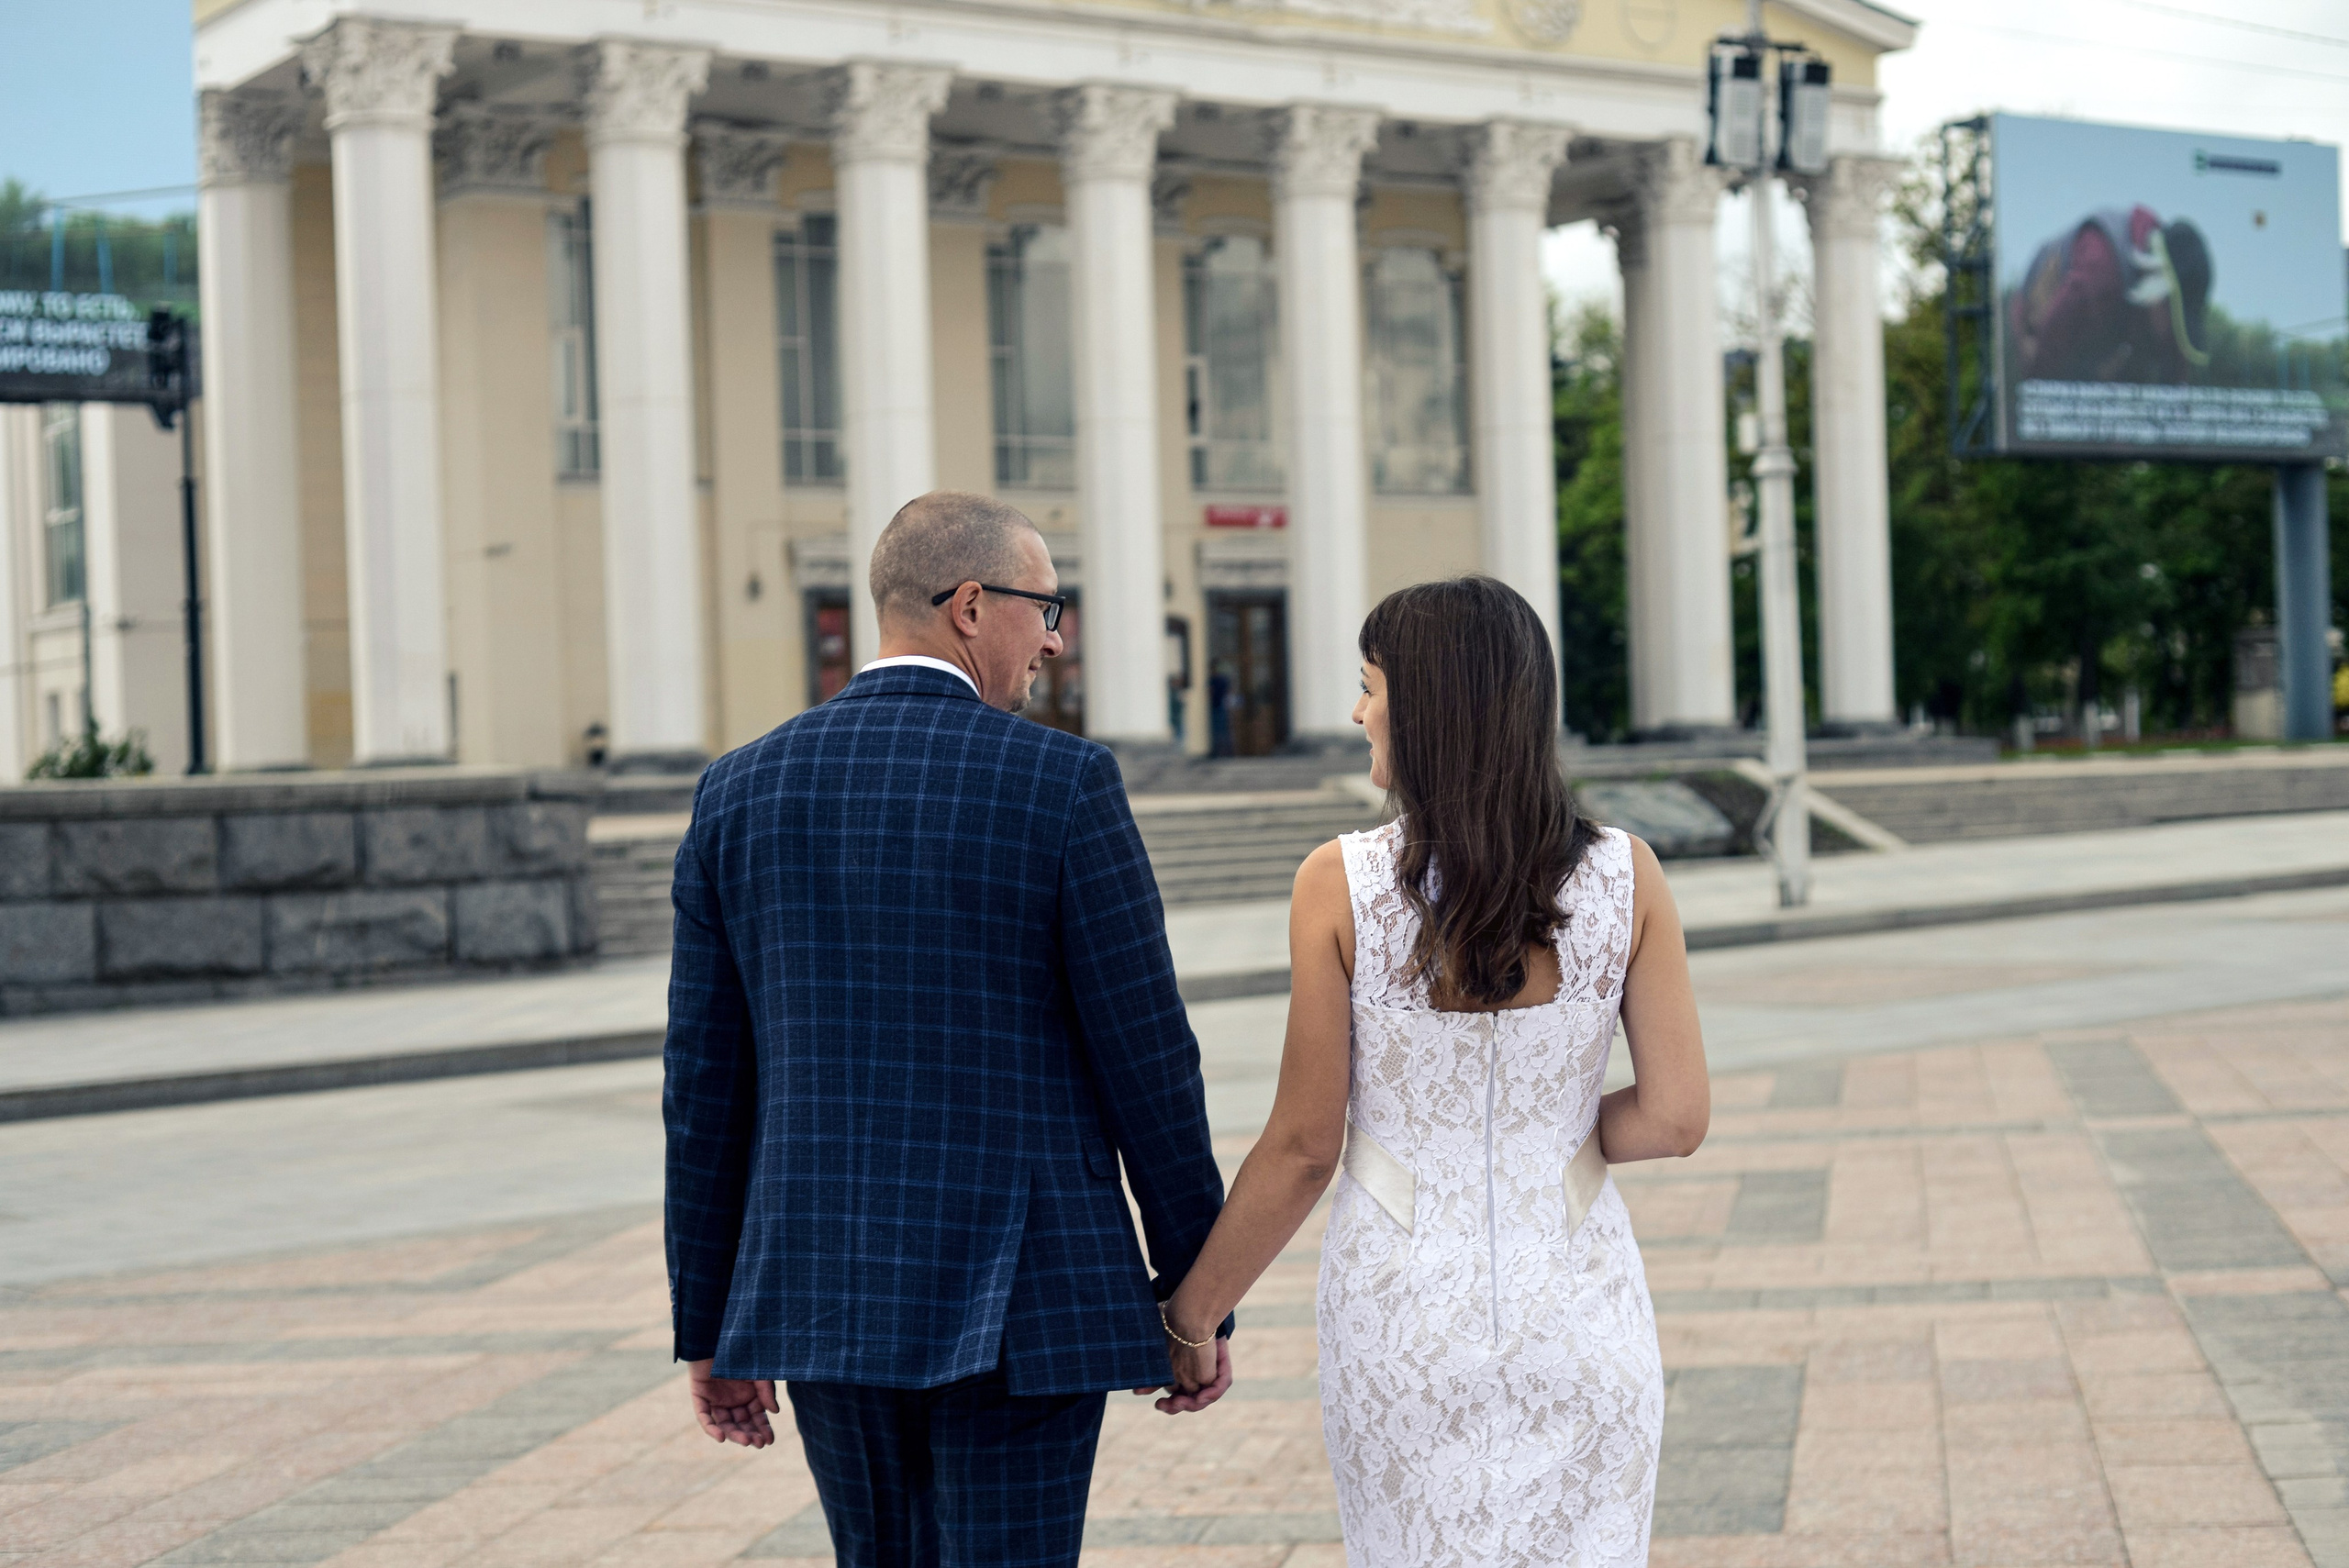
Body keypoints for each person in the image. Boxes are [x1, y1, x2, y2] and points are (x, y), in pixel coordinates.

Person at [663, 491, 1233, 1568]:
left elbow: (704, 1092)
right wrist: (1195, 1302)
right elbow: (1149, 1064)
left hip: (824, 1294)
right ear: (970, 605)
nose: (1054, 636)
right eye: (1045, 605)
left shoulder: (735, 792)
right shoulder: (1061, 783)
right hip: (1027, 1303)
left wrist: (710, 1322)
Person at [1155, 575, 1710, 1567]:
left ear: (1430, 706)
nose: (1356, 710)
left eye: (1369, 685)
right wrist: (1554, 1136)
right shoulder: (1630, 874)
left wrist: (1192, 1311)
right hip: (1581, 1309)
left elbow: (1300, 1147)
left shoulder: (1340, 883)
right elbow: (1674, 1116)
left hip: (1401, 1318)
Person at [2009, 205, 2212, 384]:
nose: (2171, 335)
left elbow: (2176, 372)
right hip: (2035, 329)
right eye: (2173, 320)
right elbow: (2044, 367)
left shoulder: (2159, 319)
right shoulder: (2098, 274)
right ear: (2158, 292)